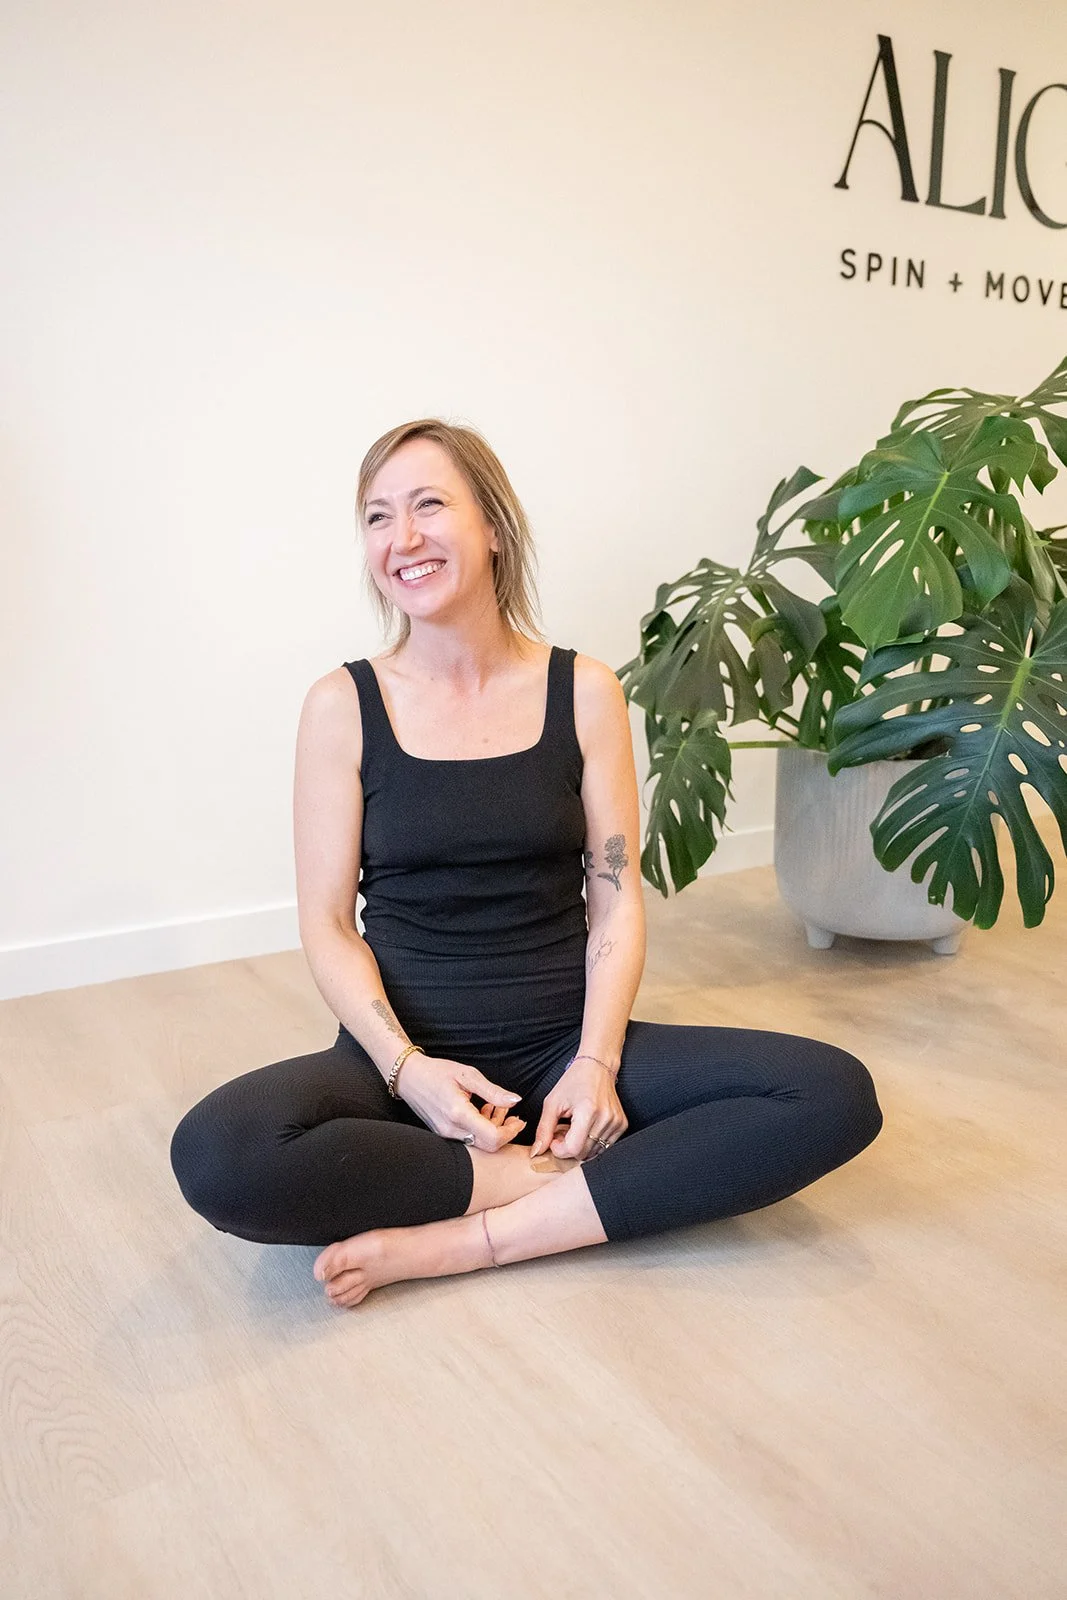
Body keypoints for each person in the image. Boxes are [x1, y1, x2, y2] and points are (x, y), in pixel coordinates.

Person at [170, 419, 883, 1309]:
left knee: (830, 1094)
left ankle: (476, 1239)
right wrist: (406, 1070)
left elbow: (615, 902)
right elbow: (325, 923)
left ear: (493, 527)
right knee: (219, 1154)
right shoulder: (341, 705)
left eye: (431, 505)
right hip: (400, 1061)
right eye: (379, 517)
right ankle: (542, 1182)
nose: (405, 538)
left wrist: (593, 1063)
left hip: (559, 1044)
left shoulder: (582, 690)